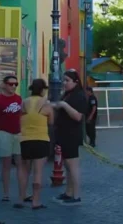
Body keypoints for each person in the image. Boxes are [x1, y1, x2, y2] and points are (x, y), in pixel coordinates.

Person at [16, 78, 52, 210]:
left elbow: (21, 118)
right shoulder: (46, 104)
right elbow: (51, 121)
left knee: (24, 170)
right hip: (41, 139)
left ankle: (20, 199)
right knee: (38, 172)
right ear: (43, 90)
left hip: (25, 140)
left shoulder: (24, 102)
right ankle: (36, 201)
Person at [53, 69, 87, 205]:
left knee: (73, 166)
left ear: (76, 82)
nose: (64, 83)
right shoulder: (68, 94)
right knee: (67, 166)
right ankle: (69, 192)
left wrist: (63, 105)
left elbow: (78, 116)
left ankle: (76, 195)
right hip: (64, 134)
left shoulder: (79, 96)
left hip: (72, 135)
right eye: (64, 80)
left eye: (67, 80)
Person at [0, 74, 23, 202]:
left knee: (20, 163)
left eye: (16, 84)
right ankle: (6, 193)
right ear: (4, 85)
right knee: (6, 164)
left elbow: (21, 116)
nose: (13, 86)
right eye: (11, 84)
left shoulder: (19, 99)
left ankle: (22, 192)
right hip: (4, 133)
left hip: (18, 133)